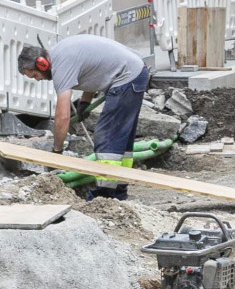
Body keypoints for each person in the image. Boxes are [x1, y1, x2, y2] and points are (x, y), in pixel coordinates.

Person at [17, 35, 149, 201]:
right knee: (122, 140)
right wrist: (85, 102)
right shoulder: (61, 52)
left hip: (127, 76)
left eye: (35, 75)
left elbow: (62, 116)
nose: (38, 80)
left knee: (107, 137)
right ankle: (119, 191)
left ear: (42, 64)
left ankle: (105, 195)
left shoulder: (61, 66)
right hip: (136, 71)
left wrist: (56, 151)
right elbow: (97, 70)